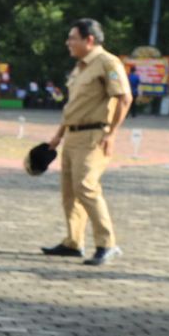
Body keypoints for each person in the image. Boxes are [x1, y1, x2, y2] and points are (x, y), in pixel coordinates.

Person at [39, 19, 131, 266]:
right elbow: (73, 106)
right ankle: (73, 242)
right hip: (72, 135)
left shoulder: (108, 63)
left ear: (89, 40)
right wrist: (58, 135)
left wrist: (111, 134)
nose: (68, 43)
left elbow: (124, 98)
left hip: (94, 135)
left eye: (73, 38)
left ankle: (107, 243)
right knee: (70, 192)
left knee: (86, 187)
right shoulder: (80, 67)